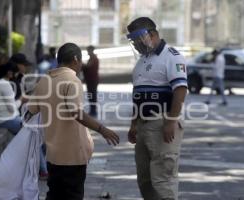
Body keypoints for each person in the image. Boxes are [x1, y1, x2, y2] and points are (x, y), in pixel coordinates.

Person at [27, 43, 120, 200]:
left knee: (54, 194)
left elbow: (31, 111)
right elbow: (76, 112)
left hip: (52, 155)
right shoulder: (72, 80)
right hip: (72, 155)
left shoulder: (44, 81)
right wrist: (102, 129)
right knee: (72, 195)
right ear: (76, 59)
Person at [126, 17, 187, 200]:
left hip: (162, 123)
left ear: (151, 35)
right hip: (144, 126)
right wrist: (134, 124)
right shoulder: (142, 61)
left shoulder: (172, 56)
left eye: (138, 40)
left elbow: (180, 90)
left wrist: (171, 121)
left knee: (163, 180)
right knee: (145, 180)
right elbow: (138, 95)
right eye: (133, 41)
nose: (136, 45)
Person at [0, 62, 22, 134]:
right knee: (36, 132)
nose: (16, 76)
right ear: (9, 73)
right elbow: (12, 108)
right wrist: (21, 100)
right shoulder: (5, 84)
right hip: (7, 120)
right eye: (15, 73)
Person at [83, 45, 99, 116]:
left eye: (88, 51)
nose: (88, 52)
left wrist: (81, 64)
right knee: (91, 95)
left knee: (92, 95)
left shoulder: (94, 58)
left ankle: (93, 110)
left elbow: (88, 66)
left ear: (91, 50)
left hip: (92, 80)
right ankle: (92, 109)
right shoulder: (91, 58)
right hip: (89, 80)